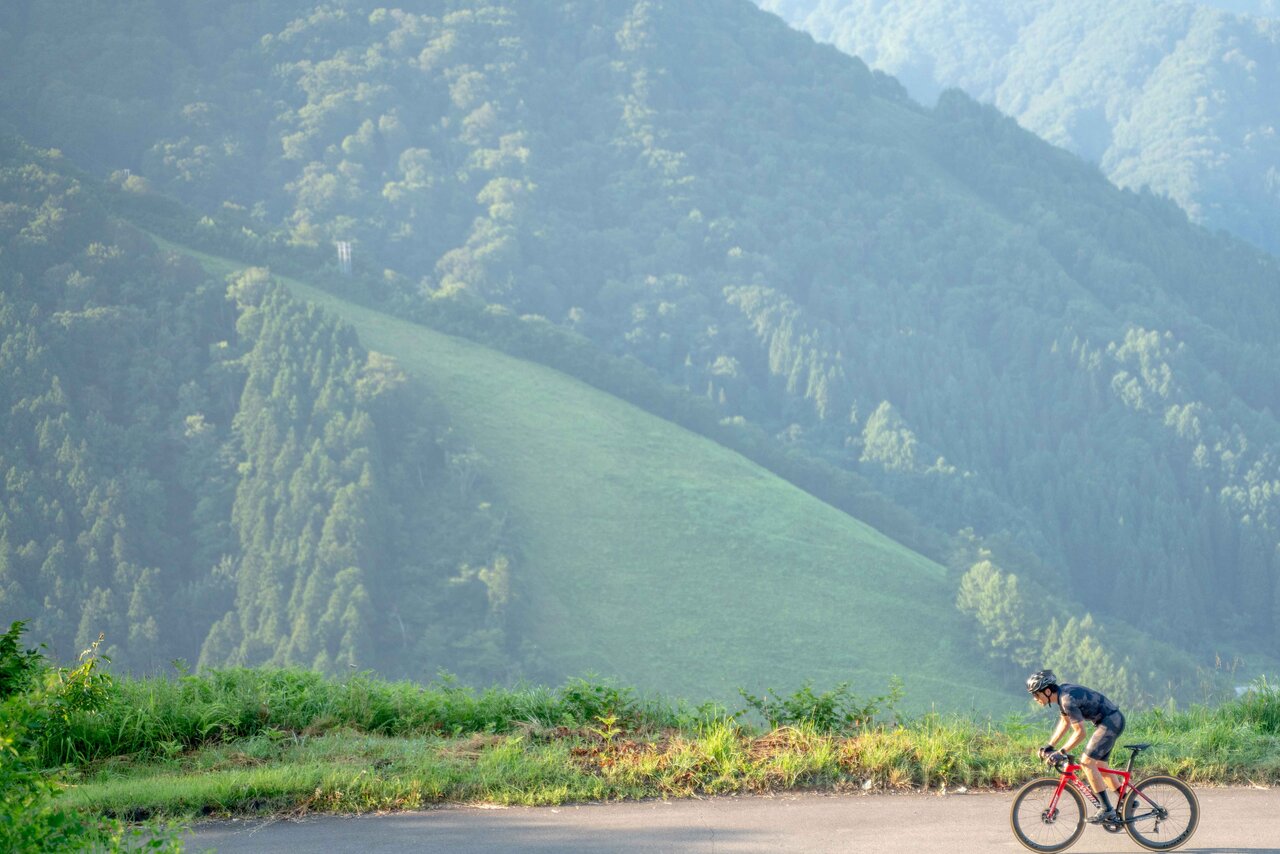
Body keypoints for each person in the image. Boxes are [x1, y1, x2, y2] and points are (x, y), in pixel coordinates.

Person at [1026, 669, 1125, 824]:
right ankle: (1127, 800)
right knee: (1099, 764)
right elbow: (1065, 722)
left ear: (1046, 691)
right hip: (1110, 721)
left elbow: (1080, 733)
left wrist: (1061, 751)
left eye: (1036, 694)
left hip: (1110, 723)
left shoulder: (1066, 700)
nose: (1035, 698)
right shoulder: (1061, 694)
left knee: (1086, 762)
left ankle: (1106, 809)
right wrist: (1050, 746)